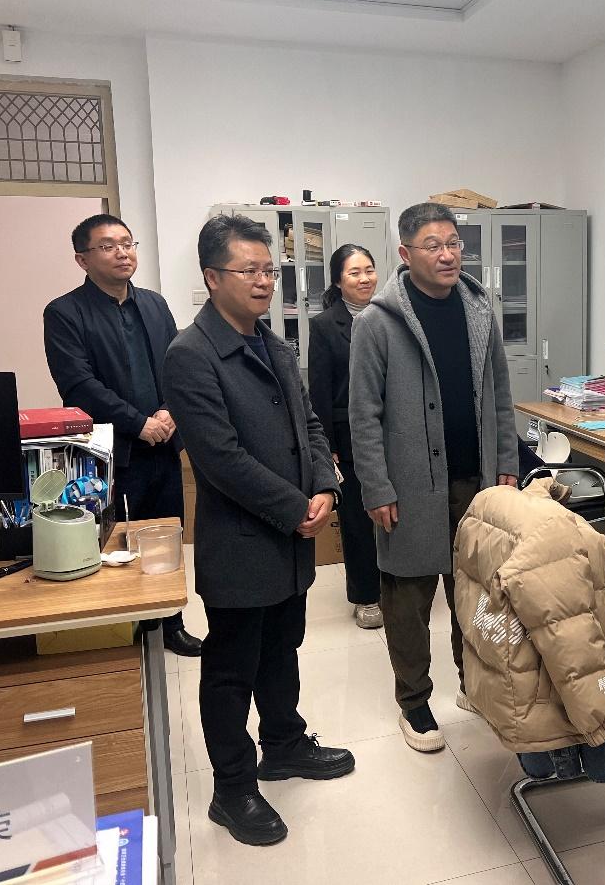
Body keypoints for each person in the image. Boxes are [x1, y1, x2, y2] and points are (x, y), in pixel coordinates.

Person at [163, 214, 354, 847]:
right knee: (231, 668)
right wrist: (297, 507)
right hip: (242, 543)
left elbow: (311, 425)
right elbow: (220, 459)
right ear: (212, 277)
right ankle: (232, 788)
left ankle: (284, 744)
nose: (264, 281)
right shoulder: (191, 355)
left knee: (282, 648)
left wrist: (325, 485)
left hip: (289, 539)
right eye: (249, 270)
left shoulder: (274, 345)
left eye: (269, 269)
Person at [349, 202, 519, 754]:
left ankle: (473, 684)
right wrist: (376, 487)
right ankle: (414, 702)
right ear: (405, 253)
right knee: (407, 598)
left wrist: (507, 463)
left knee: (476, 593)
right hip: (408, 487)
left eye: (453, 243)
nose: (447, 255)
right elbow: (363, 415)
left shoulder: (478, 310)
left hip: (476, 482)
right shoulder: (377, 323)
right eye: (432, 245)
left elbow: (500, 395)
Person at [43, 213, 202, 657]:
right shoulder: (65, 313)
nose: (122, 252)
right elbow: (78, 385)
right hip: (114, 453)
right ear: (82, 259)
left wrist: (169, 410)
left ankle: (170, 624)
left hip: (164, 446)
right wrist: (139, 423)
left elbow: (177, 364)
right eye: (108, 245)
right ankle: (128, 627)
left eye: (128, 243)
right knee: (121, 544)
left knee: (167, 535)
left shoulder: (154, 304)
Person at [308, 244, 382, 629]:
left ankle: (396, 586)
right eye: (354, 272)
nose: (364, 278)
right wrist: (327, 447)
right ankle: (366, 596)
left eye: (369, 270)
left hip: (390, 433)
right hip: (348, 438)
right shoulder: (325, 326)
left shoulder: (389, 316)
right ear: (338, 281)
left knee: (393, 516)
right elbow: (320, 391)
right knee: (357, 521)